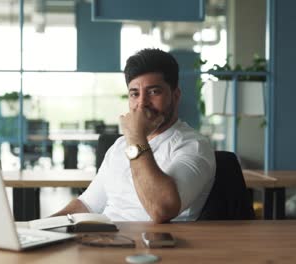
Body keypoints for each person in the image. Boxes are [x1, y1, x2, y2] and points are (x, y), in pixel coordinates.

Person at [53, 48, 216, 223]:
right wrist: (38, 228)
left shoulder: (193, 145)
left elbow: (161, 209)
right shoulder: (119, 146)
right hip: (108, 240)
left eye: (154, 92)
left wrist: (136, 136)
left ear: (175, 96)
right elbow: (87, 205)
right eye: (135, 94)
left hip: (156, 246)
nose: (142, 103)